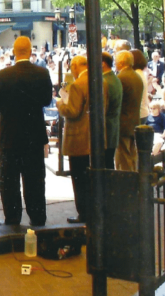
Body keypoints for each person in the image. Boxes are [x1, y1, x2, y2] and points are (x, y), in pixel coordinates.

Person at [0, 37, 53, 226]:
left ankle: (12, 218)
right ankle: (38, 216)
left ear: (14, 52)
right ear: (30, 51)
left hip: (10, 135)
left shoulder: (3, 75)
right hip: (34, 135)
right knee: (35, 178)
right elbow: (47, 100)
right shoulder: (42, 73)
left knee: (9, 180)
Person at [56, 56, 92, 224]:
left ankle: (83, 214)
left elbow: (72, 111)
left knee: (79, 178)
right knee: (89, 179)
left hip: (79, 137)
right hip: (93, 137)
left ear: (76, 66)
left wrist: (60, 103)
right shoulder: (98, 80)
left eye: (71, 67)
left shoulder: (78, 85)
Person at [115, 50, 144, 172]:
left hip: (123, 124)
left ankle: (127, 186)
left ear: (121, 62)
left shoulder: (121, 78)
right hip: (134, 121)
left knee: (124, 158)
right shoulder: (137, 77)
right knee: (132, 156)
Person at [102, 52, 122, 170]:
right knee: (109, 162)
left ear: (103, 64)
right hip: (112, 127)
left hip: (106, 130)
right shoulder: (114, 78)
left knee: (106, 164)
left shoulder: (105, 81)